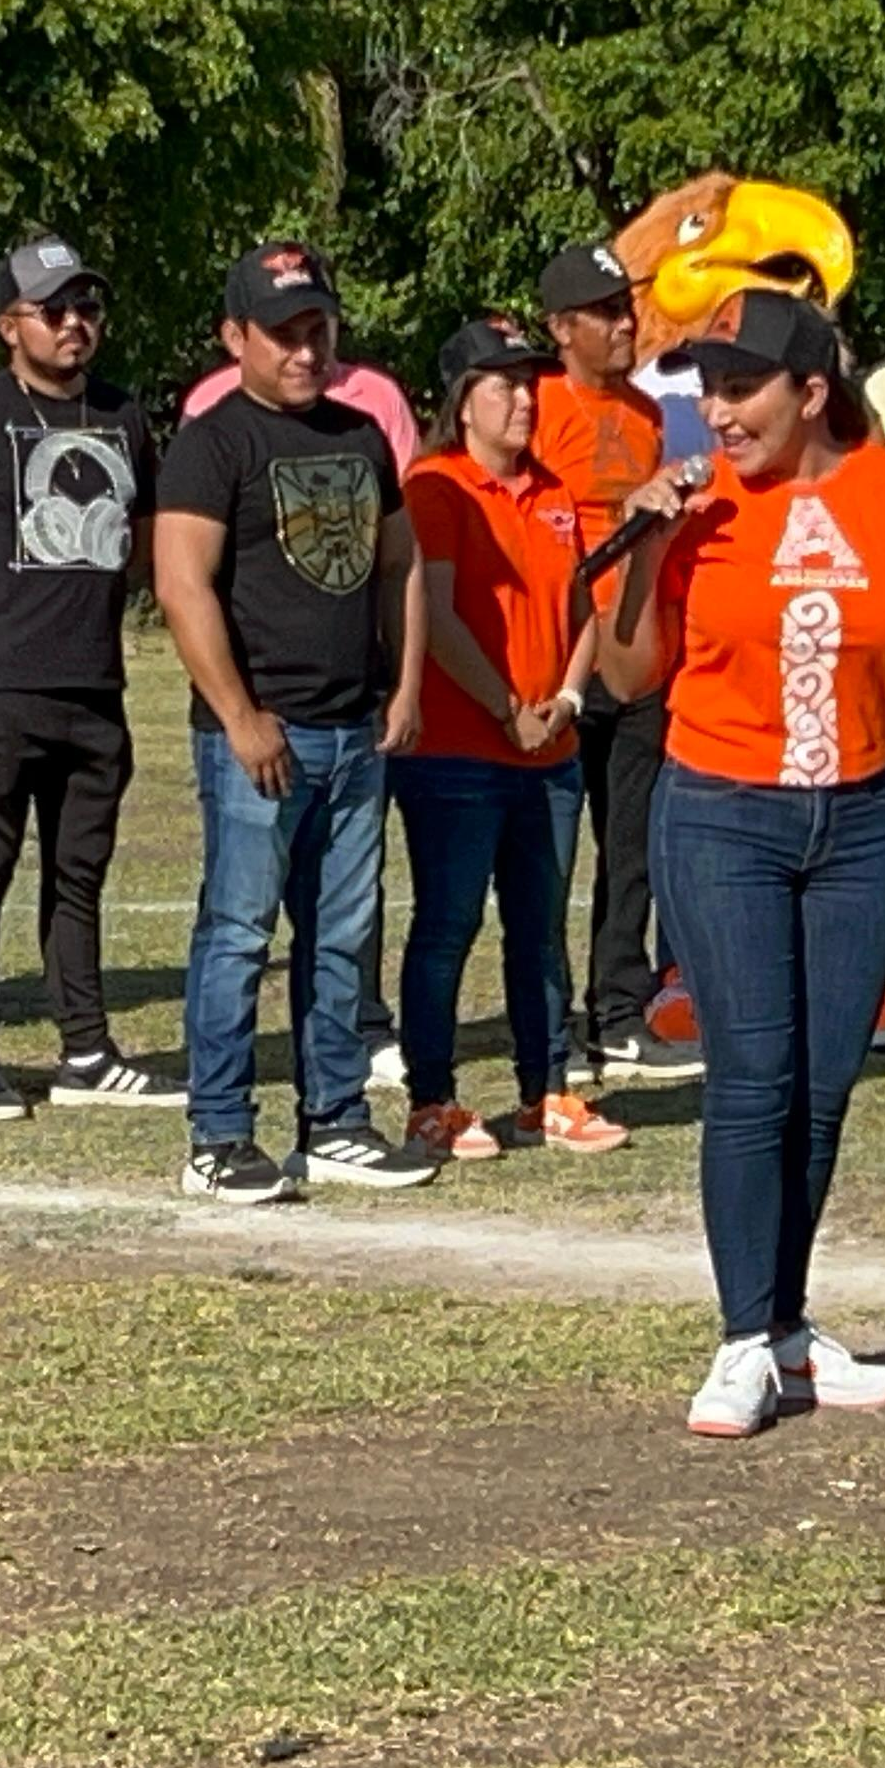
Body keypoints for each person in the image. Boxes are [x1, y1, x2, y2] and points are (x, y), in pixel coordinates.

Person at [597, 289, 885, 1438]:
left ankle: (788, 1325)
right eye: (709, 391)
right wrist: (643, 541)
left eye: (740, 390)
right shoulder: (693, 503)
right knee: (753, 1076)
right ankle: (742, 1337)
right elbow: (627, 674)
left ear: (810, 391)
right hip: (722, 811)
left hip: (858, 819)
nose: (718, 413)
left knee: (826, 1083)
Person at [155, 241, 434, 1204]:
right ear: (236, 337)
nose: (305, 349)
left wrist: (404, 688)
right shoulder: (213, 440)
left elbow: (400, 567)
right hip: (260, 738)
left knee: (344, 932)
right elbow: (181, 583)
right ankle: (219, 1132)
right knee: (238, 932)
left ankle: (338, 1117)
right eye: (283, 333)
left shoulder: (361, 437)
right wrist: (240, 716)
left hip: (356, 728)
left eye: (318, 328)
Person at [0, 237, 187, 1121]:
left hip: (95, 684)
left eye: (88, 309)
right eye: (54, 309)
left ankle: (86, 1049)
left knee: (79, 874)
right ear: (9, 325)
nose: (76, 324)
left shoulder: (124, 415)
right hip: (0, 684)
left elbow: (143, 539)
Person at [394, 316, 627, 1160]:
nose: (526, 399)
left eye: (529, 383)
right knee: (448, 924)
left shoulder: (555, 491)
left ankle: (546, 1091)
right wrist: (505, 708)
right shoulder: (435, 487)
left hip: (549, 752)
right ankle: (432, 1099)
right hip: (459, 754)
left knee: (540, 929)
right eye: (505, 385)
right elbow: (440, 617)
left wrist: (565, 698)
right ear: (464, 402)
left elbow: (580, 612)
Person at [533, 238, 697, 1082]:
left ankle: (621, 1011)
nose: (624, 323)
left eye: (625, 307)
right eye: (603, 312)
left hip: (638, 651)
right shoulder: (536, 403)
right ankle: (549, 1015)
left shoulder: (646, 412)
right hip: (560, 654)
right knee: (550, 852)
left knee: (632, 843)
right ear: (562, 327)